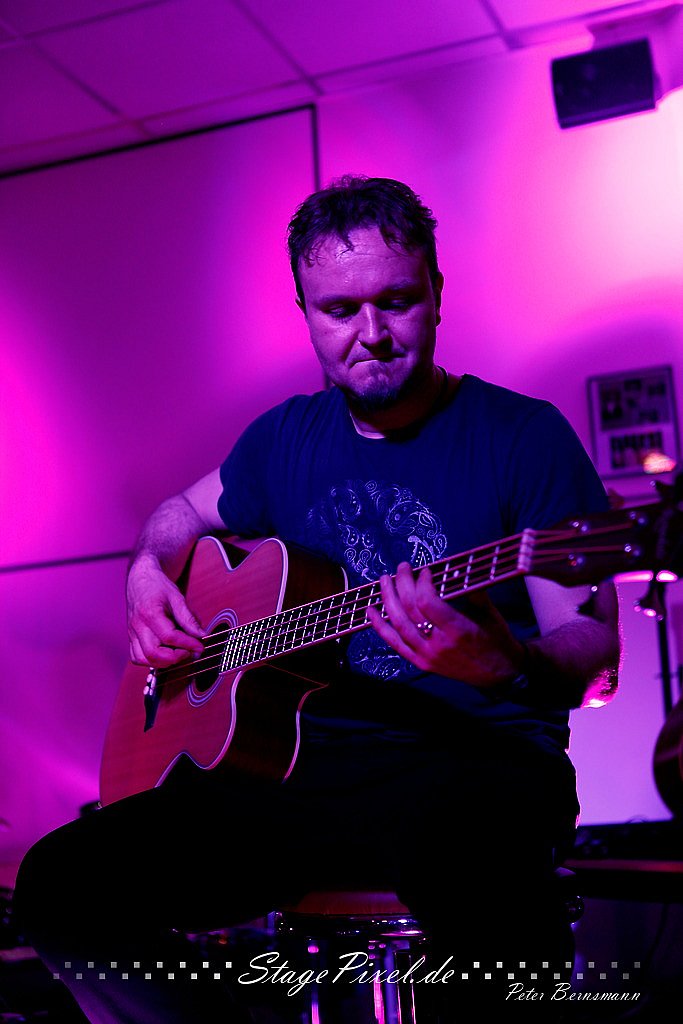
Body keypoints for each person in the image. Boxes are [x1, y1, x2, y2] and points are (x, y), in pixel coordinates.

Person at [13, 175, 621, 1023]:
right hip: (297, 772)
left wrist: (505, 664)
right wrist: (146, 571)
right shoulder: (282, 440)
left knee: (486, 905)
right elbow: (180, 514)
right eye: (339, 310)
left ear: (436, 294)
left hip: (475, 763)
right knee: (61, 886)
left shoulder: (523, 437)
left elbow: (588, 645)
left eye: (396, 301)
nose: (371, 334)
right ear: (304, 312)